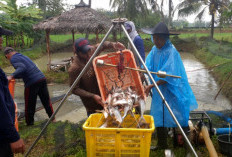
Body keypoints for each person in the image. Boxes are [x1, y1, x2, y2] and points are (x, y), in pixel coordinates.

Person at [142, 22, 198, 149]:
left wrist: (151, 86)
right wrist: (142, 74)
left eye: (159, 38)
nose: (156, 41)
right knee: (159, 114)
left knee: (179, 115)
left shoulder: (172, 52)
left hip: (174, 89)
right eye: (154, 38)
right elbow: (147, 66)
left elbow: (168, 76)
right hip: (159, 89)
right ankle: (162, 144)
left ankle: (187, 146)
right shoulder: (154, 50)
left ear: (165, 38)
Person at [68, 38, 125, 116]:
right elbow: (74, 89)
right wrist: (93, 96)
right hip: (93, 106)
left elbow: (103, 45)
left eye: (89, 50)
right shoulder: (75, 68)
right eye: (85, 53)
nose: (88, 54)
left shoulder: (91, 51)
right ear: (77, 53)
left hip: (107, 97)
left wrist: (113, 44)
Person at [4, 47, 54, 126]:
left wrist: (11, 76)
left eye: (7, 58)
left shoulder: (13, 59)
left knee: (29, 105)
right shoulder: (23, 56)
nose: (8, 60)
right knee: (46, 101)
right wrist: (15, 76)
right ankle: (53, 119)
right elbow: (25, 70)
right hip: (41, 78)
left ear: (7, 55)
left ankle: (29, 124)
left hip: (32, 82)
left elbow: (22, 68)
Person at [0, 26, 25, 156]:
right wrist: (13, 136)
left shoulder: (15, 58)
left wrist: (10, 76)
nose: (1, 40)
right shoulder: (17, 57)